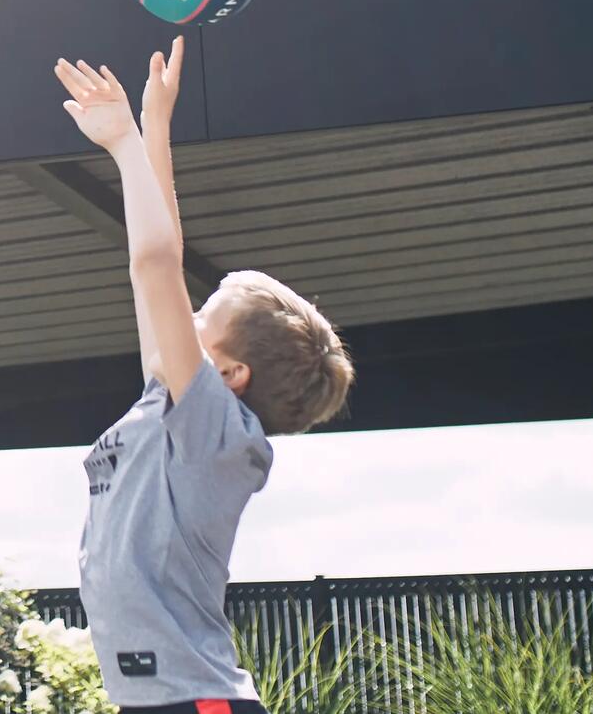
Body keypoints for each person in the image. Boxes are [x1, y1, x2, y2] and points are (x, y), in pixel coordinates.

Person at [56, 39, 354, 714]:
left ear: (229, 373)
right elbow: (167, 257)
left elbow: (155, 264)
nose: (178, 320)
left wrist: (126, 145)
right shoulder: (173, 406)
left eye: (198, 320)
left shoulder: (214, 432)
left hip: (195, 705)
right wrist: (155, 126)